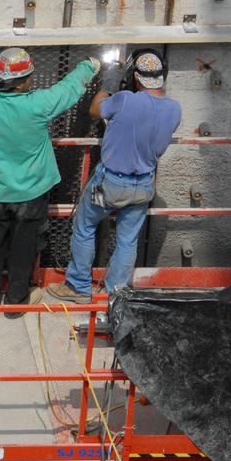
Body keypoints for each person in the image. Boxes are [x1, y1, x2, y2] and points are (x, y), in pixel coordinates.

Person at [0, 49, 100, 319]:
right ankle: (16, 303)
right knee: (24, 247)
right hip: (32, 194)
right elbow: (68, 89)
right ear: (23, 81)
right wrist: (89, 66)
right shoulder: (39, 104)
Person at [45, 50, 182, 302]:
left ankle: (79, 288)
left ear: (136, 78)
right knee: (128, 241)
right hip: (143, 185)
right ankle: (115, 296)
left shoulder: (125, 100)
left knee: (85, 226)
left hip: (110, 183)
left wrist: (109, 82)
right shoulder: (175, 109)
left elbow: (96, 110)